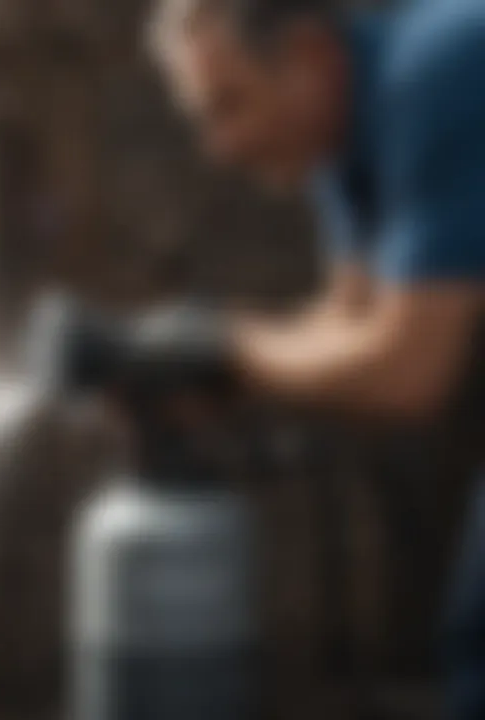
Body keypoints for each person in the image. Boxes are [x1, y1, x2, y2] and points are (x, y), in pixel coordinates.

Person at [141, 0, 485, 717]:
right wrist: (202, 362)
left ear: (308, 58)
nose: (220, 147)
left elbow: (404, 372)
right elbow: (348, 322)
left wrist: (228, 353)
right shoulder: (344, 137)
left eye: (229, 105)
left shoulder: (435, 77)